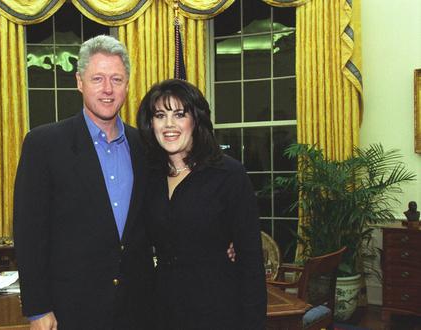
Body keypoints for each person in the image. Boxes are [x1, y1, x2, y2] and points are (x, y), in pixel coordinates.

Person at [13, 35, 154, 330]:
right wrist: (38, 309)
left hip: (138, 308)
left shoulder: (145, 145)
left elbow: (162, 216)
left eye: (116, 79)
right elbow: (29, 234)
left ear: (127, 83)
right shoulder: (44, 144)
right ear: (79, 81)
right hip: (71, 310)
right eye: (97, 78)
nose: (107, 89)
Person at [136, 79, 267, 329]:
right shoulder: (147, 176)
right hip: (161, 309)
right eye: (160, 115)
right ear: (150, 123)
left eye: (179, 114)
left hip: (217, 308)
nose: (169, 124)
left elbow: (251, 260)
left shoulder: (228, 174)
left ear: (195, 120)